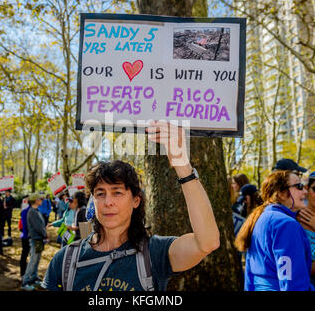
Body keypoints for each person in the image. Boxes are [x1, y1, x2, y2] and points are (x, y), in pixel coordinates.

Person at [42, 121, 220, 291]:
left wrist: (183, 166)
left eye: (117, 192)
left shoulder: (155, 254)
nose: (107, 202)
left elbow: (207, 242)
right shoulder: (64, 260)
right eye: (100, 194)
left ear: (136, 200)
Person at [235, 170, 314, 291]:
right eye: (299, 186)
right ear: (281, 193)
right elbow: (291, 280)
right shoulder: (285, 224)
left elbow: (249, 275)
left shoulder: (259, 218)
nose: (305, 191)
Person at [22, 193, 47, 291]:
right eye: (40, 199)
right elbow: (38, 227)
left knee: (37, 260)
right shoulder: (32, 211)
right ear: (35, 200)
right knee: (33, 261)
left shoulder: (36, 211)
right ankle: (25, 282)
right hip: (35, 239)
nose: (41, 200)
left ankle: (33, 278)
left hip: (39, 239)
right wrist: (45, 234)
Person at [19, 195, 31, 279]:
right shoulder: (28, 211)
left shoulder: (27, 211)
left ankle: (24, 273)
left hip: (25, 235)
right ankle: (24, 273)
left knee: (26, 254)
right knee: (27, 255)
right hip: (27, 236)